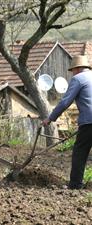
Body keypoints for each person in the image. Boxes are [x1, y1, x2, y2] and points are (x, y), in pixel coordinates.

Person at [42, 55, 92, 189]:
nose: (72, 73)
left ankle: (75, 185)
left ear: (77, 68)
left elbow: (65, 102)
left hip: (89, 122)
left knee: (80, 152)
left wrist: (50, 118)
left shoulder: (78, 79)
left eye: (73, 70)